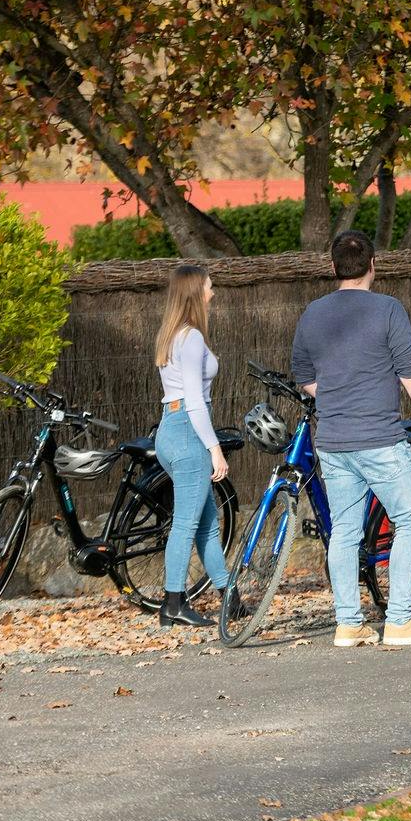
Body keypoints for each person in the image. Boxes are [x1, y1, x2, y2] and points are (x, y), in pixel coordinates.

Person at [291, 231, 411, 647]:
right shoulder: (388, 309)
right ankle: (399, 621)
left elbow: (304, 377)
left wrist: (337, 394)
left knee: (345, 531)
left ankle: (348, 625)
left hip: (333, 441)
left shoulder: (312, 313)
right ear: (373, 265)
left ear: (333, 268)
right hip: (380, 438)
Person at [152, 262, 233, 628]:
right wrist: (214, 448)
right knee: (186, 524)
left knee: (207, 523)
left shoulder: (171, 335)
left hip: (171, 428)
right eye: (209, 287)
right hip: (187, 429)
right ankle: (172, 603)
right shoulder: (192, 338)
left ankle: (228, 595)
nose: (212, 293)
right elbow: (196, 401)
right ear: (196, 293)